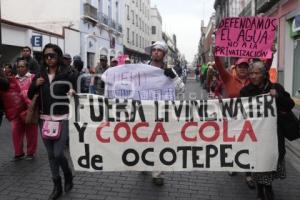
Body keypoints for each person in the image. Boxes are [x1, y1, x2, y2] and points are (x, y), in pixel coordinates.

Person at [240, 60, 295, 200]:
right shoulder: (245, 92)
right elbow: (241, 113)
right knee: (258, 165)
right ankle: (261, 191)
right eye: (251, 73)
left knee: (270, 164)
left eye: (256, 73)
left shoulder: (276, 88)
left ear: (264, 74)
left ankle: (268, 187)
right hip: (255, 136)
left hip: (275, 136)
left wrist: (278, 96)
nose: (252, 76)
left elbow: (290, 105)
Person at [28, 43, 76, 200]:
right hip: (44, 119)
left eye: (52, 55)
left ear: (58, 56)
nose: (49, 58)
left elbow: (77, 91)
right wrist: (35, 85)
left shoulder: (67, 73)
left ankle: (67, 173)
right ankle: (57, 186)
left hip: (62, 118)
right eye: (46, 56)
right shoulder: (39, 74)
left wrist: (73, 91)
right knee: (50, 155)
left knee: (58, 153)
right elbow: (30, 95)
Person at [144, 41, 185, 186]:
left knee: (158, 142)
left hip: (161, 114)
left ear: (164, 54)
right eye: (153, 50)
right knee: (142, 141)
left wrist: (173, 77)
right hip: (143, 112)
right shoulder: (141, 69)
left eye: (159, 50)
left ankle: (157, 173)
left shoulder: (170, 71)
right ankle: (143, 162)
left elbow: (181, 90)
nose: (155, 52)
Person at [214, 56, 255, 189]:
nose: (243, 69)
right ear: (235, 68)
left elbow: (264, 69)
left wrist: (270, 55)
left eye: (245, 67)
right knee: (233, 143)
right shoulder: (228, 79)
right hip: (232, 118)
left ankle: (248, 173)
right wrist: (216, 53)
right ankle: (233, 164)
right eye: (240, 67)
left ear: (248, 69)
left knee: (248, 144)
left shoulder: (254, 81)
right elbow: (219, 67)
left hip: (249, 119)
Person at [0, 64, 28, 161]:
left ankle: (22, 152)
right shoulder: (11, 80)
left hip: (16, 110)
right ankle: (20, 152)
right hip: (19, 109)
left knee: (19, 131)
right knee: (18, 131)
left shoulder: (8, 81)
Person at [15, 59, 38, 160]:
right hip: (17, 110)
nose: (20, 68)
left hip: (30, 108)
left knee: (31, 132)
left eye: (22, 66)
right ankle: (18, 153)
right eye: (18, 67)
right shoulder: (13, 79)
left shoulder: (32, 78)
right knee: (16, 131)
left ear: (27, 67)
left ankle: (30, 153)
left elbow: (36, 92)